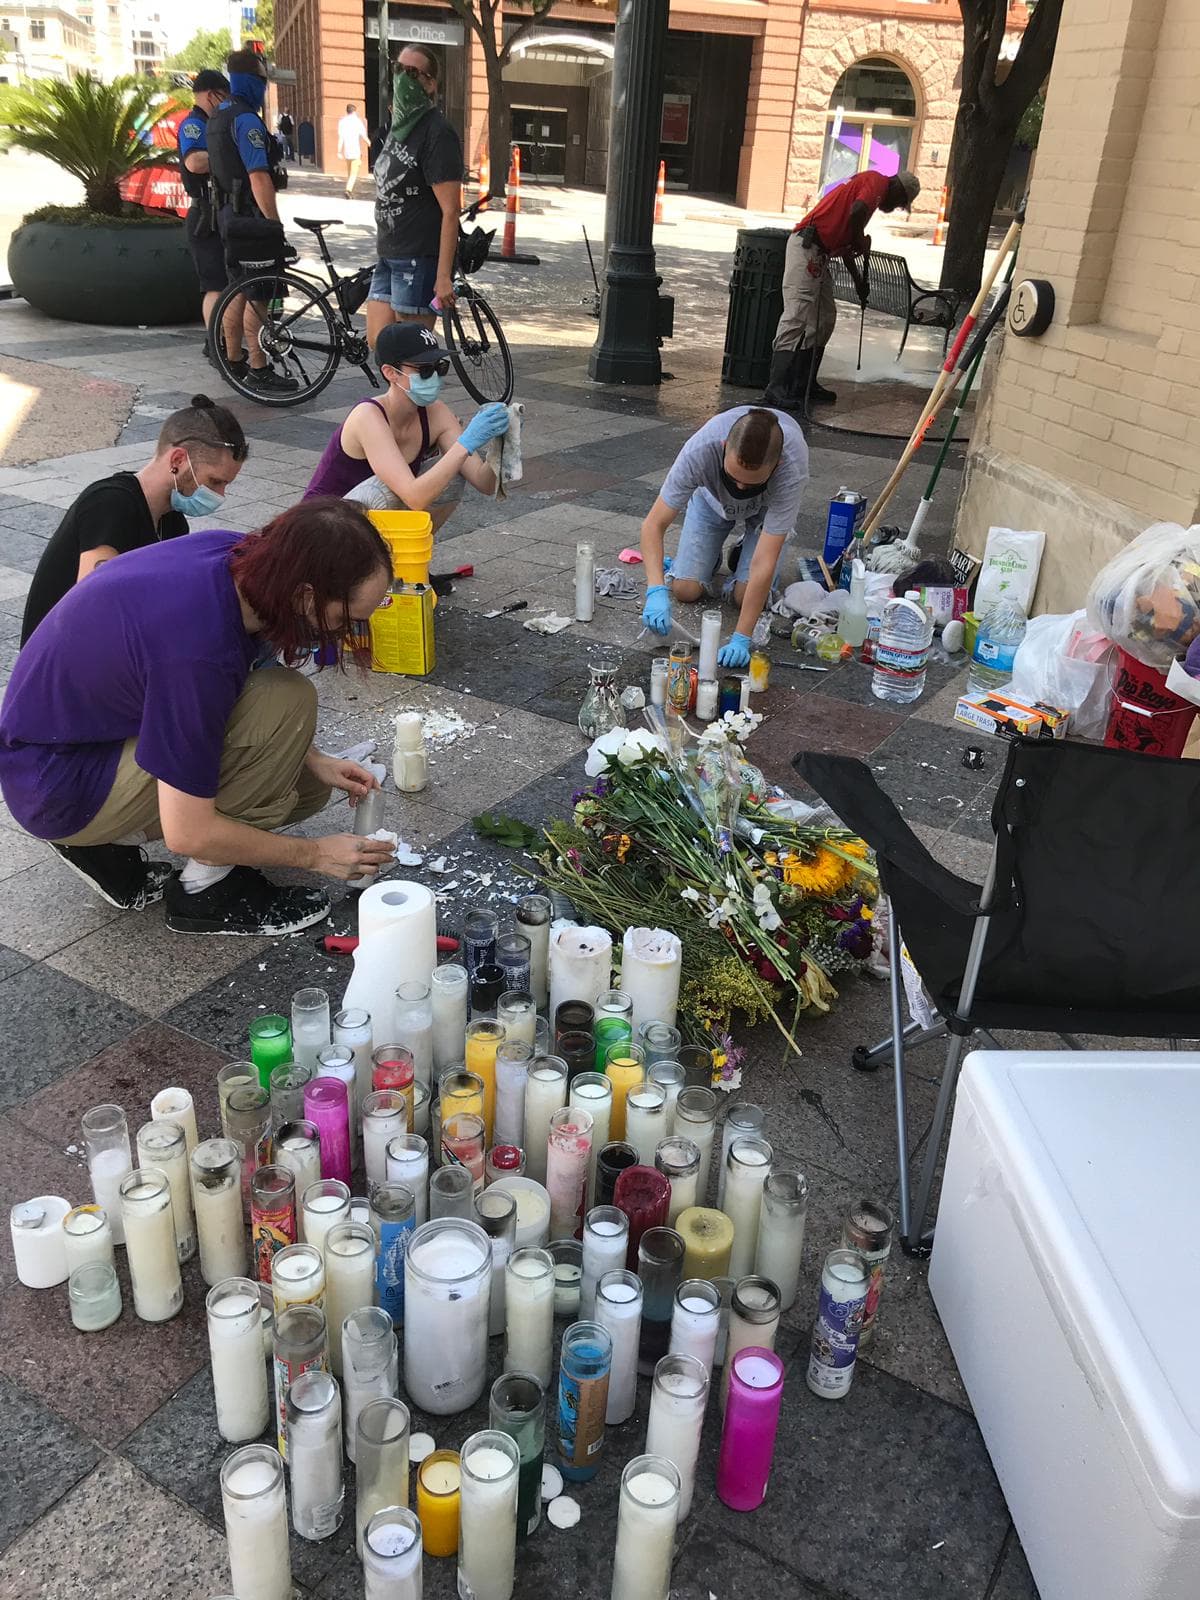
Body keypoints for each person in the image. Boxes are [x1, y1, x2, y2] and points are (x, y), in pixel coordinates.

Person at [0, 500, 397, 935]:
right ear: (305, 595)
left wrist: (314, 757)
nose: (344, 634)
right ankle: (205, 892)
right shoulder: (195, 653)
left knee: (305, 788)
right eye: (343, 620)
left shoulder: (242, 559)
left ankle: (108, 843)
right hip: (57, 785)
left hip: (70, 743)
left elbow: (240, 674)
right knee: (286, 699)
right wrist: (316, 855)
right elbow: (187, 832)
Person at [20, 395, 247, 645]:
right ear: (178, 460)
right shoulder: (110, 503)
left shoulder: (173, 522)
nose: (220, 495)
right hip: (62, 657)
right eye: (215, 481)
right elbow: (95, 608)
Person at [639, 406, 808, 668]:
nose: (740, 487)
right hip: (712, 500)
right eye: (733, 477)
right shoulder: (701, 450)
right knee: (685, 589)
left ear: (778, 465)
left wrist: (742, 637)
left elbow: (765, 561)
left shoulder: (791, 469)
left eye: (751, 483)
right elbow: (653, 524)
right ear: (724, 446)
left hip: (766, 512)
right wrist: (655, 590)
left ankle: (746, 549)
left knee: (745, 596)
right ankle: (713, 555)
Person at [304, 323, 507, 527]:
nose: (435, 377)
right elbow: (414, 497)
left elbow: (484, 483)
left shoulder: (436, 412)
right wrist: (465, 443)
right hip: (321, 527)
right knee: (385, 490)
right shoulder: (368, 416)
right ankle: (383, 548)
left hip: (360, 523)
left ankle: (409, 546)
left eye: (440, 367)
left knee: (451, 472)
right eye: (425, 370)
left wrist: (501, 444)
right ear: (390, 372)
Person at [762, 169, 921, 410]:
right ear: (897, 189)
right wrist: (860, 239)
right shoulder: (876, 182)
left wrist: (859, 282)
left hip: (820, 254)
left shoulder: (871, 194)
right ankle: (776, 388)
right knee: (797, 314)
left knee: (825, 319)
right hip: (807, 247)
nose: (897, 207)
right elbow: (856, 212)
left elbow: (847, 244)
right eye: (901, 202)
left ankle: (803, 384)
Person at [206, 48, 298, 395]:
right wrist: (275, 226)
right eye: (262, 80)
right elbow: (258, 176)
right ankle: (258, 366)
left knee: (236, 289)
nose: (264, 88)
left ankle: (233, 360)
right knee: (258, 292)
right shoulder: (245, 119)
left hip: (227, 214)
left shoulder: (218, 115)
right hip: (249, 217)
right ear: (251, 81)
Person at [368, 45, 462, 349]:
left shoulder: (437, 132)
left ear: (430, 83)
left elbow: (451, 210)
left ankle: (427, 381)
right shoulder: (397, 128)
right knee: (379, 343)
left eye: (411, 72)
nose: (401, 78)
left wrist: (443, 276)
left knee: (411, 354)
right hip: (389, 252)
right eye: (398, 69)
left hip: (418, 256)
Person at [177, 68, 232, 355]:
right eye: (224, 98)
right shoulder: (194, 125)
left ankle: (224, 341)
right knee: (215, 285)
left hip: (217, 212)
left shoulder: (209, 123)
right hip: (205, 216)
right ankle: (215, 344)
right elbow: (195, 162)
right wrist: (231, 156)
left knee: (226, 282)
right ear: (212, 96)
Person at [337, 102, 369, 197]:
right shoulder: (357, 122)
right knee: (353, 173)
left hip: (347, 151)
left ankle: (349, 189)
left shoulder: (342, 122)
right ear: (354, 111)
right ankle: (348, 190)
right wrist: (370, 143)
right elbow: (364, 136)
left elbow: (341, 138)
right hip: (356, 151)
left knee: (349, 172)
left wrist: (339, 151)